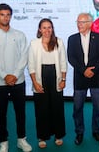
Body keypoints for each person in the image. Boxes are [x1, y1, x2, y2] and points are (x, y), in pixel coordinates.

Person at [0, 3, 32, 152]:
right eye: (2, 14)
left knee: (20, 112)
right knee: (0, 113)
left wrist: (15, 75)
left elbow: (24, 56)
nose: (6, 17)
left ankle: (21, 140)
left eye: (8, 14)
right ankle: (3, 142)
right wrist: (5, 76)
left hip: (18, 81)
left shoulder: (19, 35)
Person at [67, 13, 99, 144]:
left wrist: (93, 71)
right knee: (77, 107)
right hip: (80, 77)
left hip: (96, 77)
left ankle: (96, 130)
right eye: (78, 22)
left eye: (82, 22)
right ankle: (79, 132)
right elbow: (71, 57)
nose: (79, 25)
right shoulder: (72, 39)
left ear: (90, 24)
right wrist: (83, 70)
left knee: (98, 107)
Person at [28, 18, 67, 148]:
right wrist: (35, 83)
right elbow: (31, 65)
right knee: (41, 108)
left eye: (49, 27)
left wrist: (63, 79)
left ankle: (58, 135)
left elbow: (63, 62)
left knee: (57, 107)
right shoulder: (34, 43)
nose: (47, 30)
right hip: (40, 77)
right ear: (39, 29)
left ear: (52, 28)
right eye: (44, 27)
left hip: (55, 77)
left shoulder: (59, 42)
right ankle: (42, 137)